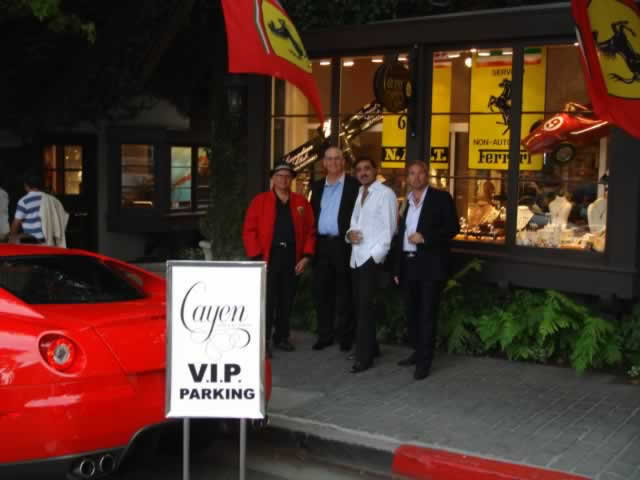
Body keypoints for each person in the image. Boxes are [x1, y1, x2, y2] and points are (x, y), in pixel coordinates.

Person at [392, 161, 459, 380]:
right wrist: (397, 267)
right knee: (411, 313)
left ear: (426, 175)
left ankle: (424, 362)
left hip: (430, 265)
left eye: (420, 173)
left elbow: (453, 228)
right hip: (408, 264)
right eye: (412, 174)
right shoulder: (406, 201)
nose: (416, 177)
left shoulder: (441, 198)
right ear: (408, 178)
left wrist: (425, 238)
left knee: (427, 313)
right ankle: (417, 351)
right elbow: (399, 235)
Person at [242, 162, 315, 355]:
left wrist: (306, 256)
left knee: (287, 299)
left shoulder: (301, 202)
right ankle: (263, 340)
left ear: (291, 179)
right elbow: (249, 231)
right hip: (268, 257)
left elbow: (311, 231)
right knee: (266, 300)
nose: (283, 179)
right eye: (279, 176)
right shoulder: (260, 201)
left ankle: (282, 336)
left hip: (292, 256)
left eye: (287, 176)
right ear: (273, 179)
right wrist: (257, 258)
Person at [346, 157, 397, 373]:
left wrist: (375, 257)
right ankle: (372, 348)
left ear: (376, 170)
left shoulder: (386, 194)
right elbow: (353, 224)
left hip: (370, 259)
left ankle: (363, 357)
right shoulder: (360, 192)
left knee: (365, 309)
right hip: (356, 257)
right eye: (359, 169)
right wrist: (349, 235)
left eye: (367, 168)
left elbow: (390, 229)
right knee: (360, 306)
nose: (363, 172)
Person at [310, 146, 360, 351]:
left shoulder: (354, 185)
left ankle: (345, 337)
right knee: (322, 291)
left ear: (343, 162)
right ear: (324, 163)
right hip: (321, 244)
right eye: (329, 159)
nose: (333, 162)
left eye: (337, 158)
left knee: (345, 292)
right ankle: (325, 335)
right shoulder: (317, 186)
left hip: (343, 244)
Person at [10, 173, 46, 244]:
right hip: (48, 239)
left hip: (31, 241)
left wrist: (11, 238)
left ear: (26, 186)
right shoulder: (50, 199)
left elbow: (16, 223)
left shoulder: (24, 201)